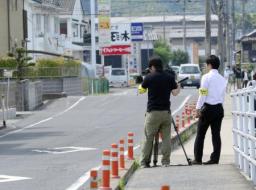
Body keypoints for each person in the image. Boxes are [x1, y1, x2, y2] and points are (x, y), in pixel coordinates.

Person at [138, 56, 180, 168]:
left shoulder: (149, 77)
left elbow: (141, 89)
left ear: (152, 67)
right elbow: (175, 93)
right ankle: (165, 162)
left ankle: (144, 162)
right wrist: (178, 85)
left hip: (152, 113)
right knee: (166, 138)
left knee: (148, 138)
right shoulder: (169, 77)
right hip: (166, 113)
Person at [192, 55, 227, 165]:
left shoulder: (206, 77)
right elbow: (223, 95)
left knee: (200, 134)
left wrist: (198, 108)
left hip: (208, 108)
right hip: (219, 108)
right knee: (216, 134)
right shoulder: (223, 79)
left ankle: (198, 159)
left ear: (210, 65)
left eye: (207, 65)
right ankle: (215, 159)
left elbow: (203, 94)